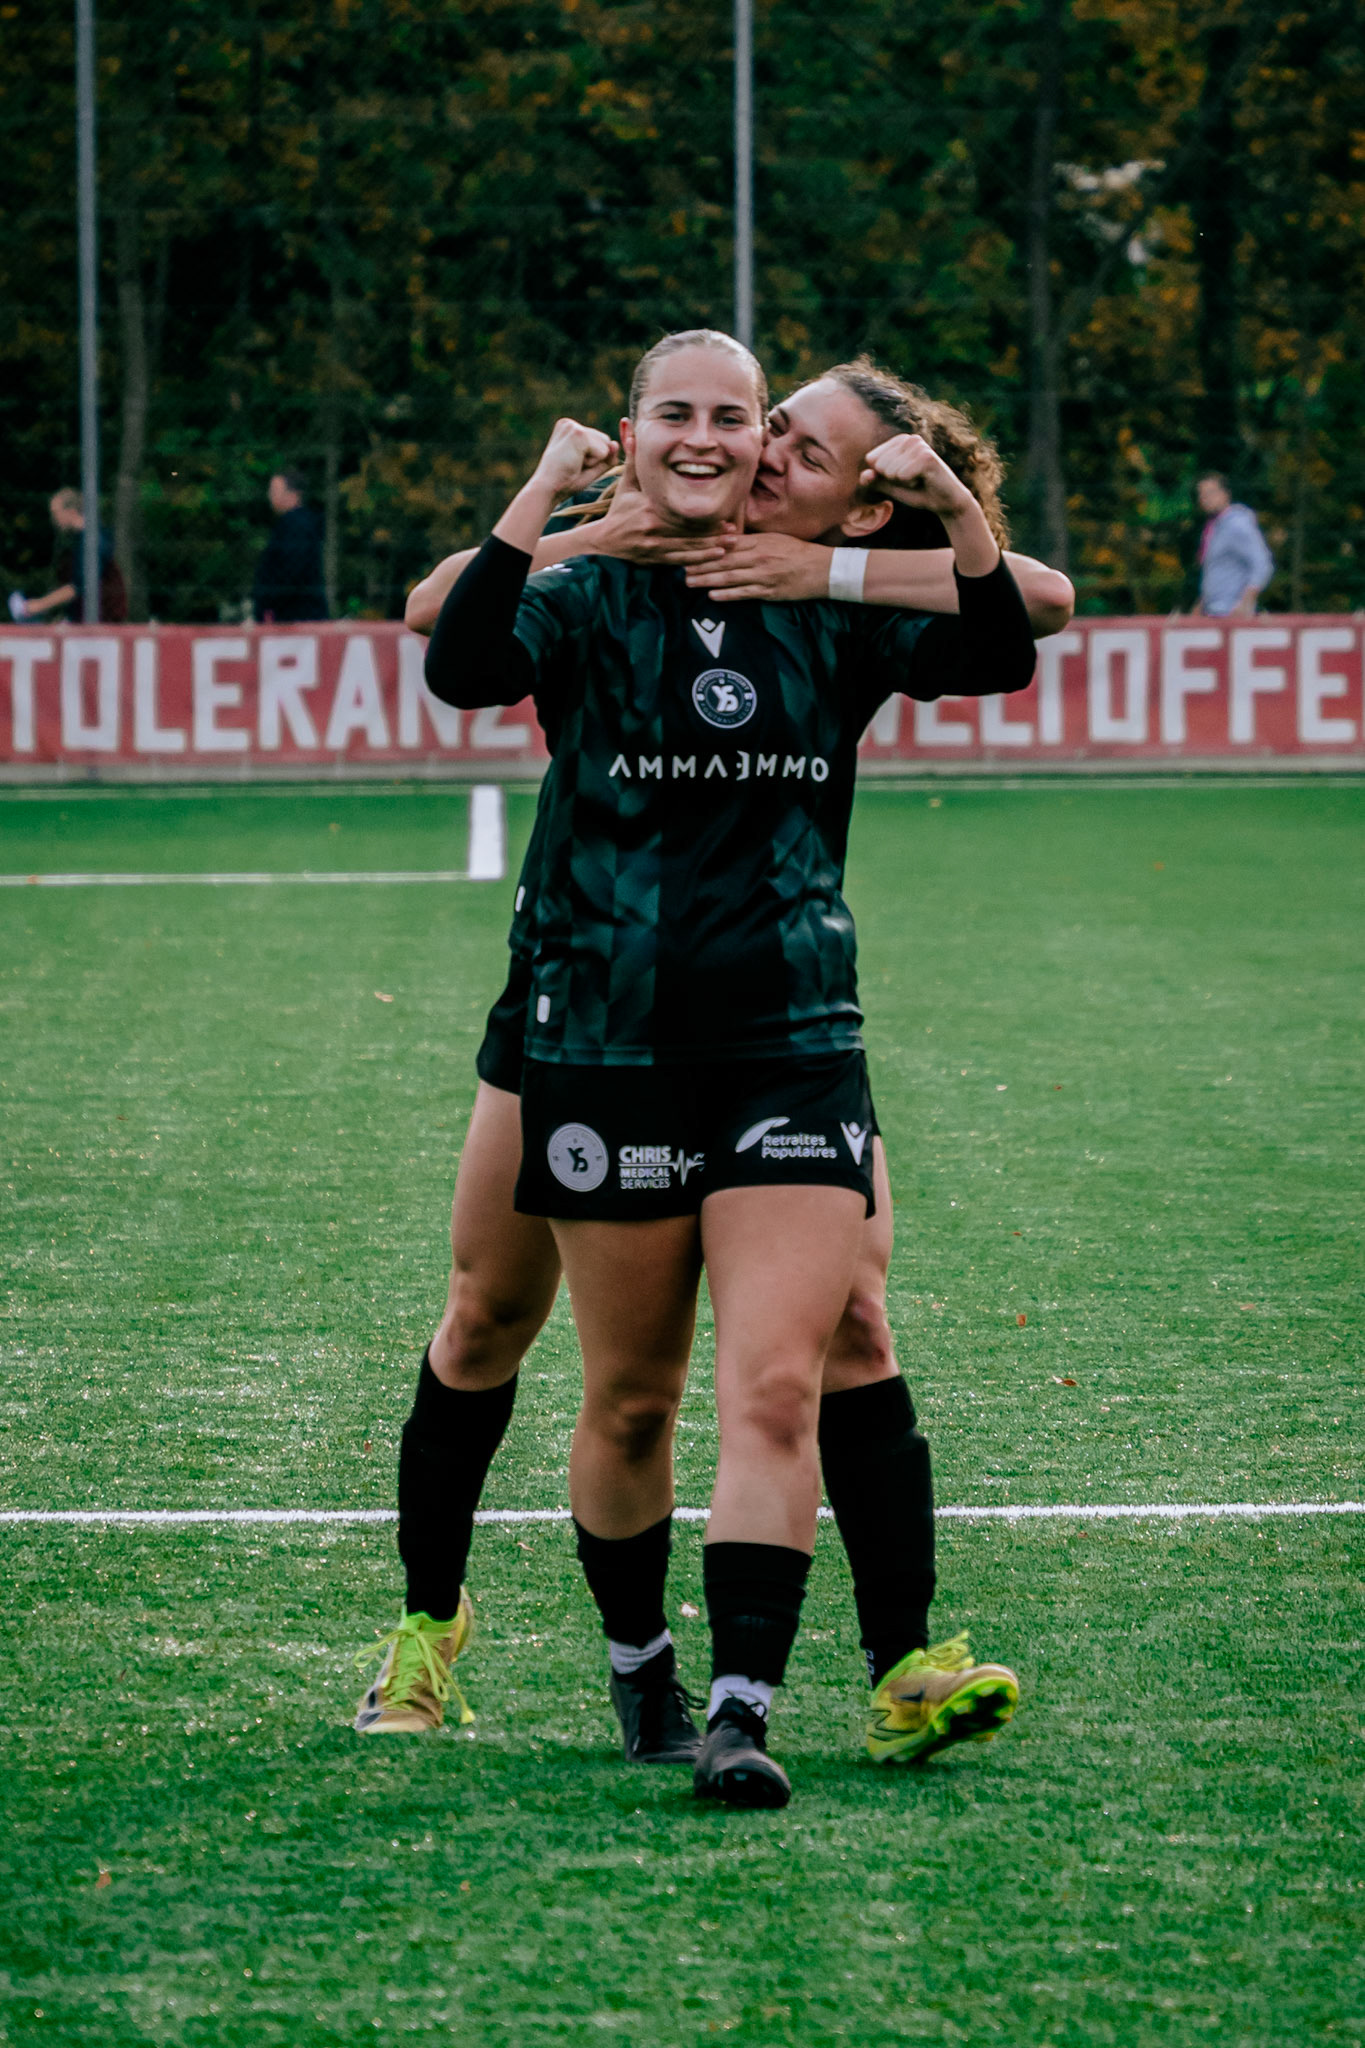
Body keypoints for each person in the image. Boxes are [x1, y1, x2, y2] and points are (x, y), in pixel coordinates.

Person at [356, 362, 1071, 1767]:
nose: (749, 450)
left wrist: (826, 571)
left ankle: (899, 1656)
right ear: (636, 436)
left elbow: (1032, 604)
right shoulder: (622, 551)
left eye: (779, 436)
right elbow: (443, 618)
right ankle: (428, 1626)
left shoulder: (824, 581)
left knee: (845, 1323)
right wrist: (592, 535)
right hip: (576, 1010)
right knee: (490, 1322)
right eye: (749, 424)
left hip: (775, 1035)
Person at [8, 488, 127, 624]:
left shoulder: (93, 541)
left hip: (101, 623)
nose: (53, 519)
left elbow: (78, 587)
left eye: (55, 513)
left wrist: (36, 606)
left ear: (71, 512)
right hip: (91, 619)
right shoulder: (87, 538)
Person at [252, 468, 328, 623]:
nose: (270, 495)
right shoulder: (294, 524)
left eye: (275, 490)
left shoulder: (296, 527)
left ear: (293, 494)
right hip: (294, 613)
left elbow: (290, 572)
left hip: (295, 617)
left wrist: (269, 603)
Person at [1194, 473, 1274, 617]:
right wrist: (1201, 604)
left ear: (1226, 494)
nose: (1205, 498)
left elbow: (1262, 564)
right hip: (1213, 612)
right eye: (1202, 494)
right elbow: (1218, 571)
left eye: (1211, 493)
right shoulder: (1214, 527)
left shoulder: (1237, 525)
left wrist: (1246, 602)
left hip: (1231, 614)